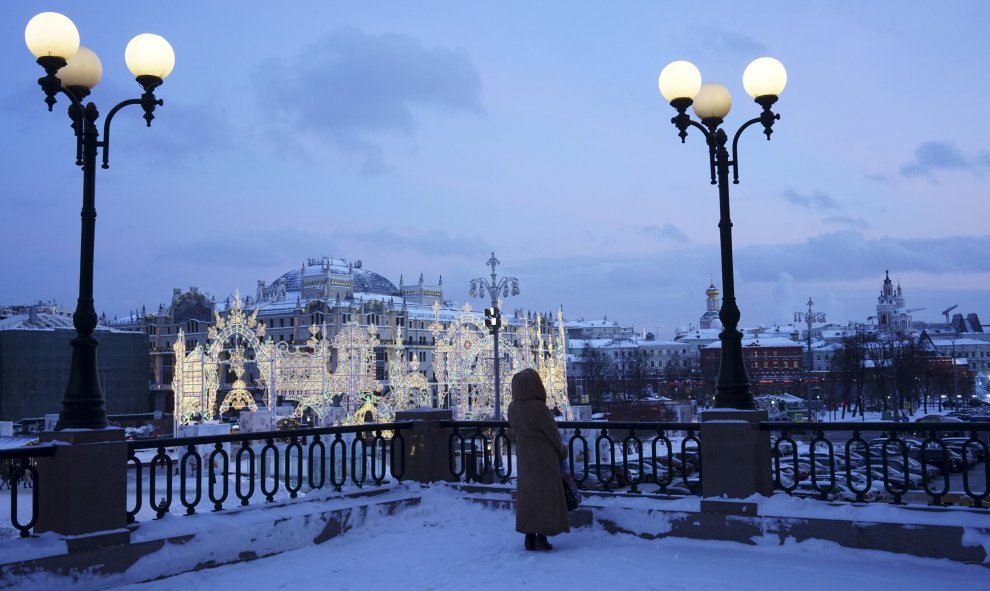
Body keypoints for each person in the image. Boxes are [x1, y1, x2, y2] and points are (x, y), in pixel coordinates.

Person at [507, 368, 569, 551]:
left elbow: (513, 429)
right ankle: (542, 536)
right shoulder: (539, 408)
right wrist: (562, 451)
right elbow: (553, 433)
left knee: (527, 497)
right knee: (545, 496)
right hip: (544, 457)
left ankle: (528, 537)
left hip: (525, 458)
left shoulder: (513, 407)